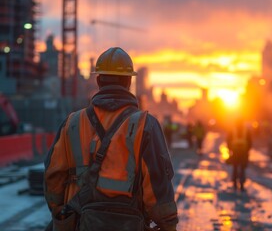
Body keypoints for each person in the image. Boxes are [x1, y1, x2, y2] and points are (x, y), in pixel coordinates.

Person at [44, 47, 178, 230]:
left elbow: (53, 176)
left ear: (98, 80)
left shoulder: (72, 124)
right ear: (129, 82)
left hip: (80, 222)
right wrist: (168, 224)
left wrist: (60, 214)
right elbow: (157, 183)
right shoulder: (146, 125)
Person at [227, 118, 252, 191]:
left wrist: (229, 149)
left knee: (235, 167)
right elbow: (249, 140)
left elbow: (228, 139)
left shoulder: (233, 130)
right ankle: (241, 184)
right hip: (243, 151)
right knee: (242, 168)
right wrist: (248, 150)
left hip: (235, 151)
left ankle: (235, 183)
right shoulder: (246, 130)